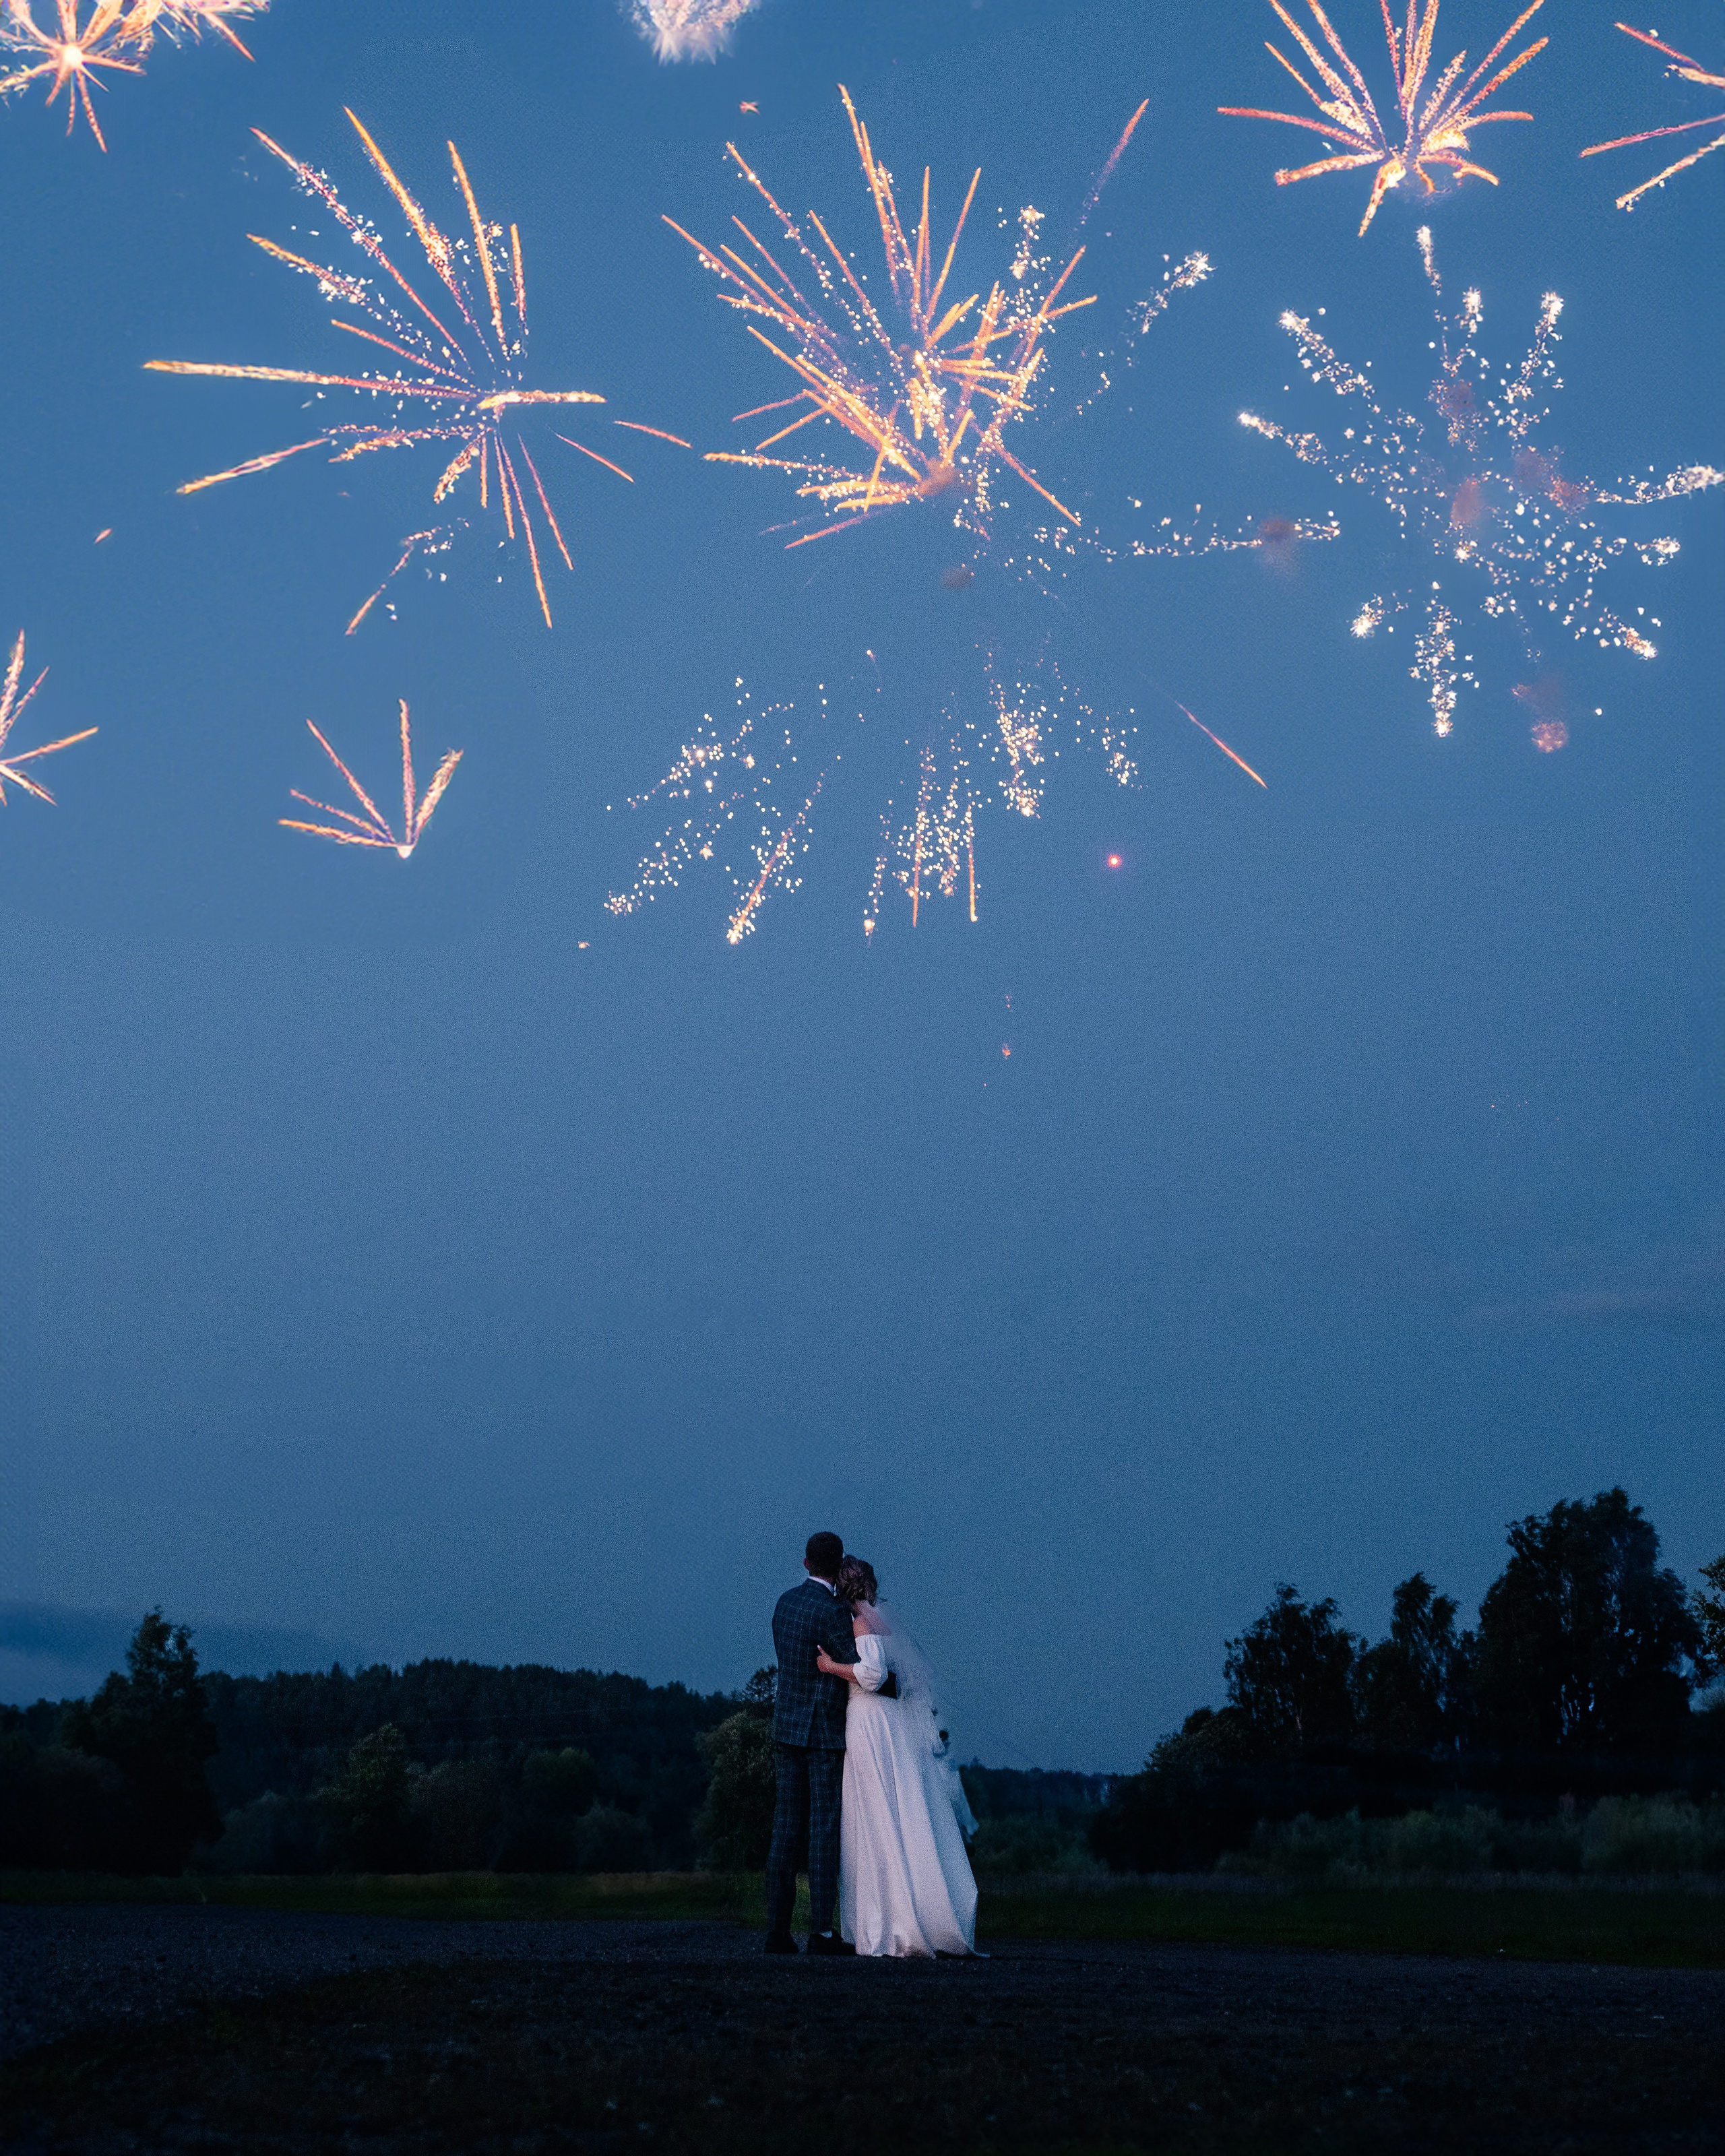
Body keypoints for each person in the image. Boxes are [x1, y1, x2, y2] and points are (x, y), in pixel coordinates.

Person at [817, 1555, 980, 1957]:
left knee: (876, 1812)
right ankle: (922, 1909)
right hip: (894, 1721)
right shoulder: (886, 1621)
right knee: (900, 1805)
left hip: (870, 1719)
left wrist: (831, 1666)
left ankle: (890, 1920)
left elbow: (872, 1676)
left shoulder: (861, 1623)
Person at [763, 1529, 859, 1955]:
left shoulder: (785, 1604)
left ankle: (777, 1931)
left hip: (786, 1728)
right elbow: (856, 1666)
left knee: (785, 1829)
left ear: (805, 1563)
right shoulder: (833, 1612)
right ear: (839, 1567)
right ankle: (821, 1932)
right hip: (823, 1733)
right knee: (823, 1831)